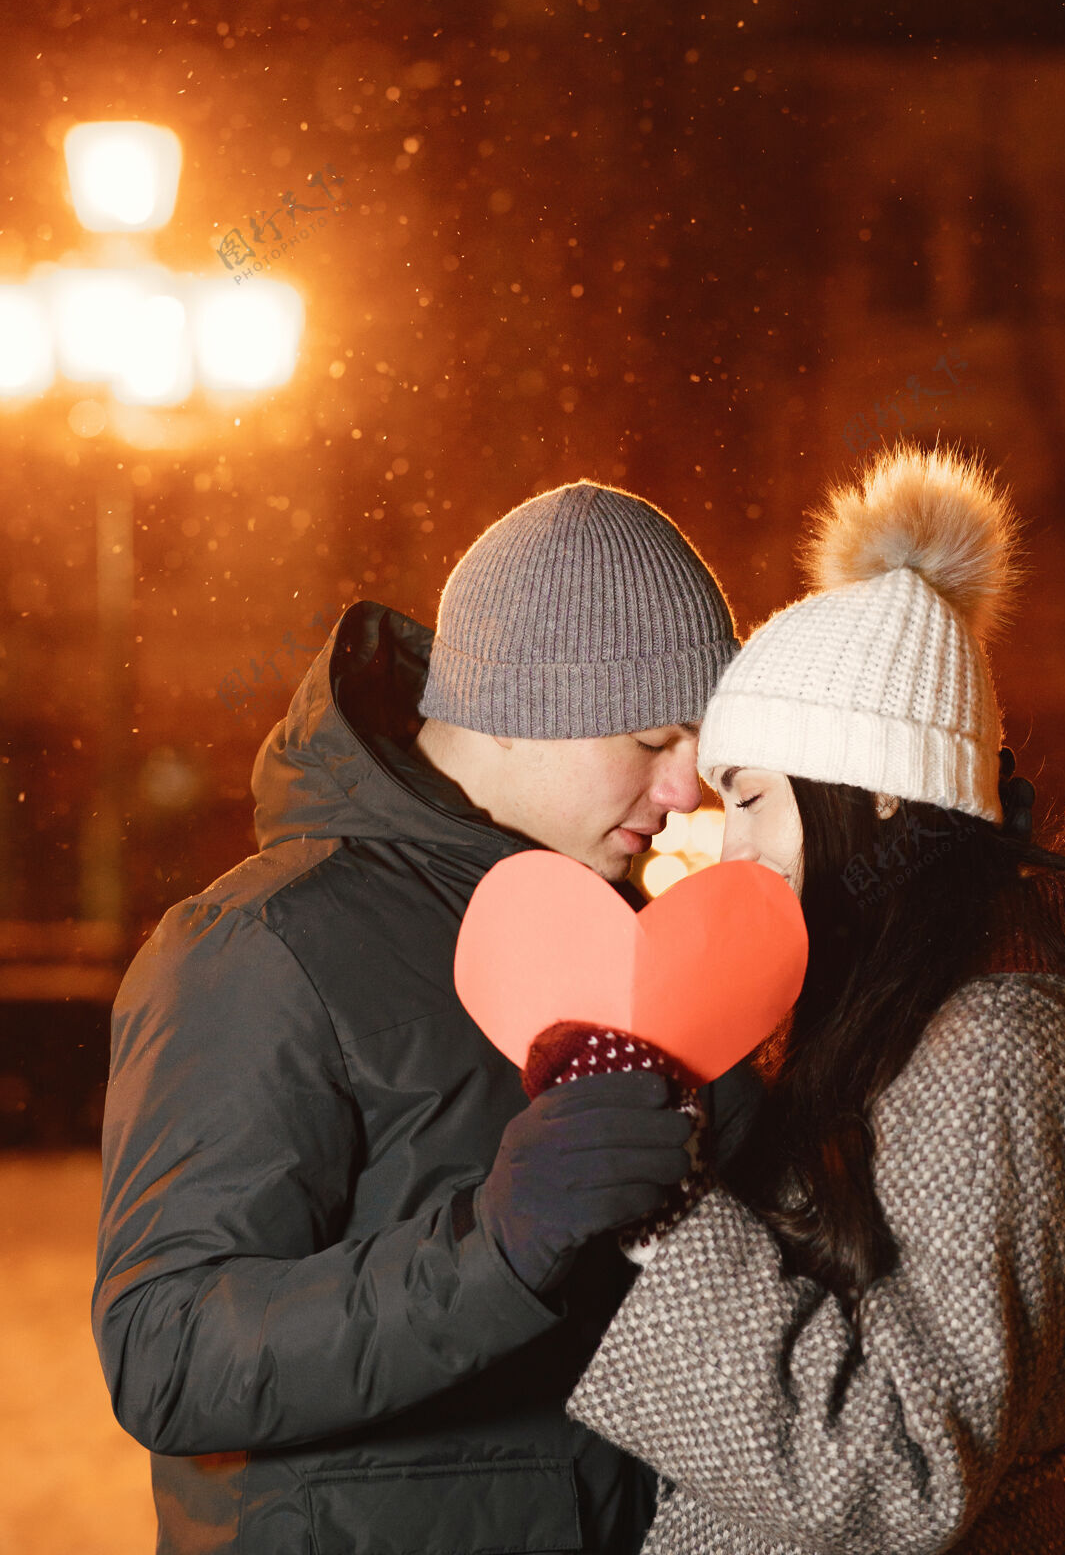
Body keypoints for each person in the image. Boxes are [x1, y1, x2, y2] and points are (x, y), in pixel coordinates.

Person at [567, 441, 1065, 1554]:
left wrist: (667, 1218)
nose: (737, 849)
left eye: (754, 799)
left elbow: (899, 1472)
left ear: (870, 794)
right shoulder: (923, 1020)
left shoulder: (1002, 1045)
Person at [93, 480, 743, 1555]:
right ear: (525, 709)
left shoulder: (631, 936)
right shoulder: (263, 946)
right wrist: (492, 1253)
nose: (687, 791)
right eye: (652, 738)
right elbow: (166, 1356)